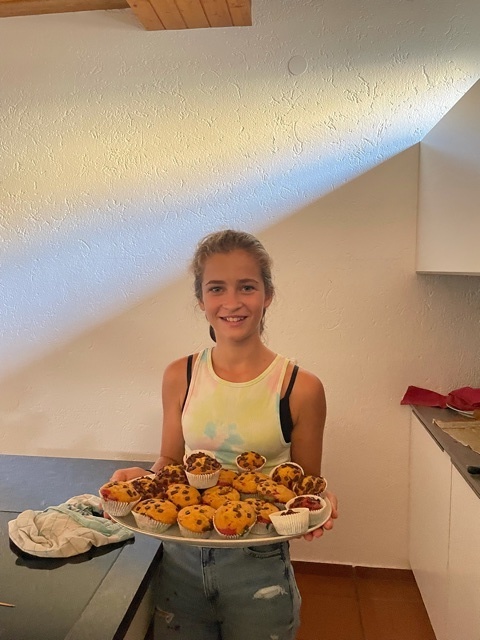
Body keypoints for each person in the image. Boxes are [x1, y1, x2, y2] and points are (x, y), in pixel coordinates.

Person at [110, 229, 338, 640]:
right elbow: (170, 464)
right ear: (201, 299)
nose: (232, 302)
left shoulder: (300, 388)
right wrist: (143, 480)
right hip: (180, 557)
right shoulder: (180, 375)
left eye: (246, 287)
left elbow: (303, 484)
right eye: (217, 288)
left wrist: (320, 502)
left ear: (268, 295)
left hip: (259, 561)